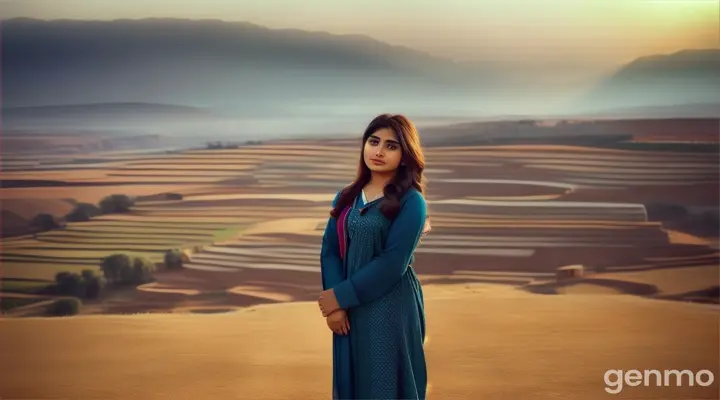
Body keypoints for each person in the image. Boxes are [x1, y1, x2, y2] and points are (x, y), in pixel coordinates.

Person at [317, 113, 431, 400]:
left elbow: (393, 263)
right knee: (352, 380)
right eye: (373, 141)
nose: (379, 151)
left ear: (405, 155)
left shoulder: (412, 202)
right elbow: (330, 250)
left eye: (391, 146)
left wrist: (340, 296)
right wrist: (335, 306)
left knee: (384, 383)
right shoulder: (346, 196)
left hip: (390, 305)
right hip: (349, 306)